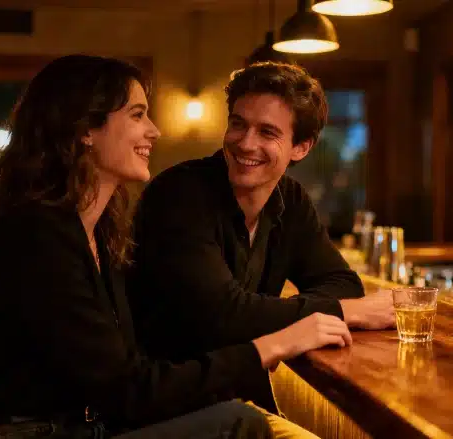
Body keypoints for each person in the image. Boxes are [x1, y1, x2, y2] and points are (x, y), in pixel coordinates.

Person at [0, 55, 352, 439]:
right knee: (243, 424)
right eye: (137, 114)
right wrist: (278, 343)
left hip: (93, 423)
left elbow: (125, 381)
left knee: (249, 419)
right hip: (41, 432)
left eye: (267, 132)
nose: (154, 131)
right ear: (85, 129)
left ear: (301, 146)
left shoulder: (95, 230)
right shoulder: (37, 237)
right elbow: (130, 389)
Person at [129, 62, 396, 420]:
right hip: (167, 409)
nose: (245, 142)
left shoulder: (292, 199)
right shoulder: (180, 194)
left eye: (267, 132)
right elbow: (222, 315)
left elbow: (342, 283)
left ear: (300, 147)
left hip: (238, 401)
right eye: (238, 123)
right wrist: (345, 312)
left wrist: (269, 314)